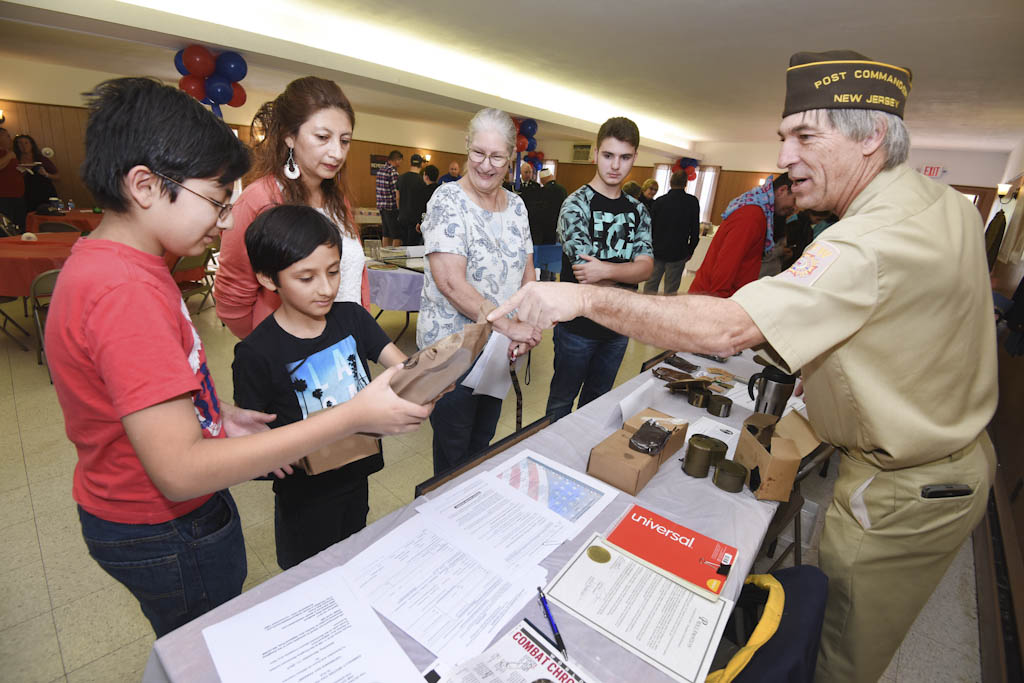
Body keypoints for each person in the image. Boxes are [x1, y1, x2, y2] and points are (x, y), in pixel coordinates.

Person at [491, 49, 995, 683]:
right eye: (785, 136)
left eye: (805, 136)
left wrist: (581, 296)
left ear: (870, 139)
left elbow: (732, 327)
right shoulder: (941, 201)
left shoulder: (868, 237)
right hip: (944, 462)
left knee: (834, 654)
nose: (783, 157)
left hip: (902, 486)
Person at [44, 77, 430, 637]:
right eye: (216, 200)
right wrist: (349, 417)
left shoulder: (126, 268)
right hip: (165, 525)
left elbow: (135, 390)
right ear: (146, 185)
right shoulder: (125, 293)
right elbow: (177, 471)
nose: (225, 221)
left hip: (149, 511)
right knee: (206, 644)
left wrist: (213, 412)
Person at [232, 205, 407, 569]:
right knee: (309, 577)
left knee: (354, 557)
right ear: (268, 278)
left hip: (357, 477)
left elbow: (402, 368)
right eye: (306, 278)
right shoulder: (256, 353)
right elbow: (253, 449)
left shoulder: (352, 317)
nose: (326, 288)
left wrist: (433, 376)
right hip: (304, 500)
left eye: (332, 272)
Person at [419, 107, 540, 474]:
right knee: (453, 453)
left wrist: (526, 327)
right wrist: (510, 326)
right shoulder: (447, 201)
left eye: (497, 157)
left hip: (500, 351)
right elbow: (452, 283)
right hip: (453, 353)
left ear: (511, 159)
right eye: (478, 153)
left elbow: (527, 274)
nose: (486, 165)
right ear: (467, 147)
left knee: (483, 442)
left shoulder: (517, 206)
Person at [215, 76, 369, 339]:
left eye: (344, 141)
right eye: (323, 137)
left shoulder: (337, 200)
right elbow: (233, 298)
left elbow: (355, 274)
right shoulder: (259, 199)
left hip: (346, 342)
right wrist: (273, 347)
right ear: (289, 137)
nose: (337, 153)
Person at [545, 117, 653, 422]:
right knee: (561, 404)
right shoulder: (575, 205)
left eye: (624, 157)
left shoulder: (638, 209)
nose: (615, 165)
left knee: (598, 405)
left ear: (635, 158)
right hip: (577, 328)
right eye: (608, 155)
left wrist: (604, 269)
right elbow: (585, 274)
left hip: (618, 329)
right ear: (595, 154)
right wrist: (623, 274)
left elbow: (645, 268)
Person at [687, 173, 796, 297]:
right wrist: (718, 302)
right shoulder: (752, 216)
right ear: (782, 190)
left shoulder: (758, 211)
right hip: (714, 298)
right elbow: (726, 265)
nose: (795, 207)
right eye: (795, 200)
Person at [643, 170, 700, 295]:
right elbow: (695, 230)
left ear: (670, 182)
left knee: (651, 284)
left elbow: (650, 228)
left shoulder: (659, 201)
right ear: (686, 183)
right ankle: (667, 312)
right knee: (671, 288)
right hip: (679, 251)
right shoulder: (692, 202)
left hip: (657, 249)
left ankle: (645, 309)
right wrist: (690, 250)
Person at [13, 134, 60, 212]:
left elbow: (58, 176)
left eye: (26, 143)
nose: (23, 146)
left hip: (45, 192)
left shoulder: (41, 158)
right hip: (25, 194)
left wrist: (46, 174)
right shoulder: (15, 160)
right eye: (20, 143)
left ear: (32, 144)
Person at [0, 128, 26, 229]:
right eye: (7, 136)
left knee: (19, 226)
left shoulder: (9, 152)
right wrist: (9, 156)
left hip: (17, 195)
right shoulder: (8, 154)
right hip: (4, 197)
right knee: (6, 227)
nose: (10, 139)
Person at [397, 152, 425, 244]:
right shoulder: (422, 180)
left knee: (404, 244)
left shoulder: (401, 178)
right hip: (415, 219)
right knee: (413, 248)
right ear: (421, 164)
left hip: (402, 217)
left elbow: (397, 197)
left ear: (410, 163)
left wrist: (400, 210)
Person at [376, 150, 403, 247]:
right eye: (400, 161)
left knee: (386, 233)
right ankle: (394, 258)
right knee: (397, 235)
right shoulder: (393, 172)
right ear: (397, 160)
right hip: (391, 207)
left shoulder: (380, 170)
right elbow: (396, 193)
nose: (400, 163)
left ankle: (384, 257)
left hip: (381, 207)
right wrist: (399, 208)